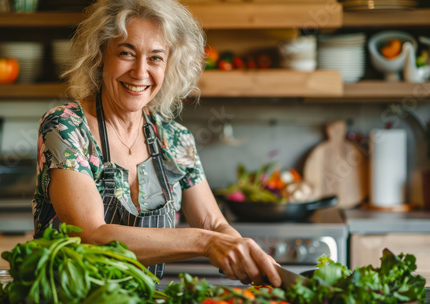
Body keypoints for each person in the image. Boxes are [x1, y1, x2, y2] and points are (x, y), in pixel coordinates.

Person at [32, 0, 281, 286]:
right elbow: (90, 235)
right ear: (101, 55)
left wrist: (250, 256)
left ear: (169, 65)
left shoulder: (175, 139)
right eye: (127, 53)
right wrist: (204, 242)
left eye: (155, 58)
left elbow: (214, 224)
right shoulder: (66, 126)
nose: (140, 72)